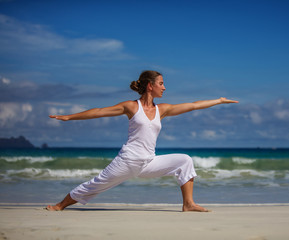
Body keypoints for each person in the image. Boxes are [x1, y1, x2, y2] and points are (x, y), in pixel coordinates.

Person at [46, 70, 238, 212]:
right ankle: (60, 205)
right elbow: (98, 112)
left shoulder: (162, 109)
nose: (164, 87)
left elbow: (194, 106)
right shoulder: (131, 106)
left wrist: (218, 101)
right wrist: (69, 117)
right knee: (96, 184)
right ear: (150, 86)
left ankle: (188, 204)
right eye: (161, 83)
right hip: (127, 161)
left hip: (148, 162)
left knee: (185, 160)